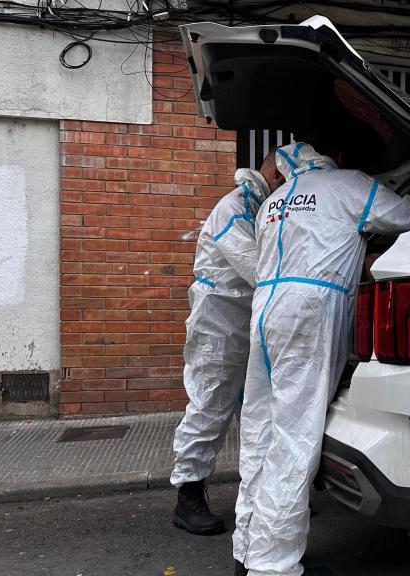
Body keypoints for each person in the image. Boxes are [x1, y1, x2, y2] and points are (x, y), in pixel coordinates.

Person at [233, 141, 410, 576]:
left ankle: (247, 547)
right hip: (309, 313)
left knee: (261, 429)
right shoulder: (347, 185)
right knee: (294, 435)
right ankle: (272, 565)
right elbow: (409, 216)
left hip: (265, 313)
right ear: (330, 159)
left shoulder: (275, 201)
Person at [171, 153, 284, 536]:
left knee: (258, 412)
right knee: (210, 404)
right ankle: (188, 496)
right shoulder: (234, 209)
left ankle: (267, 499)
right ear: (275, 174)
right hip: (218, 325)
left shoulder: (257, 208)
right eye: (288, 181)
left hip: (245, 322)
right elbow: (256, 267)